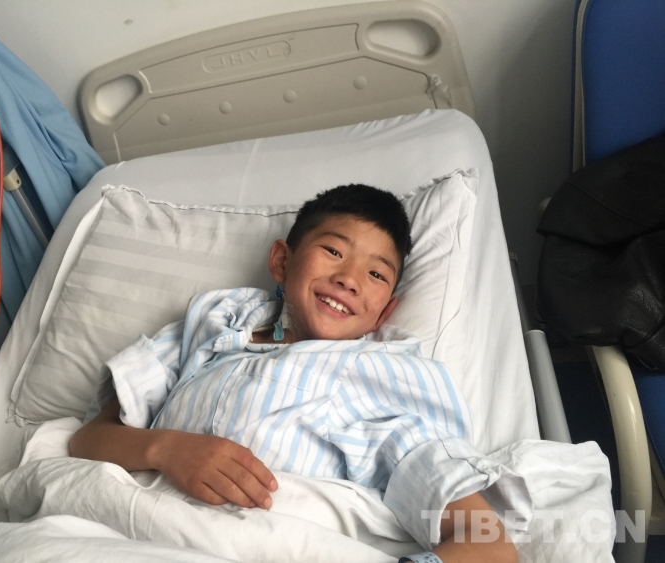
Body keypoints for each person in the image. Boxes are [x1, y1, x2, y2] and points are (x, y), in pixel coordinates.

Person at [70, 184, 521, 563]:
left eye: (376, 274)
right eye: (333, 251)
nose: (349, 279)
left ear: (385, 312)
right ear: (282, 262)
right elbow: (89, 439)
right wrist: (167, 448)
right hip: (123, 530)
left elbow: (489, 542)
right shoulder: (215, 325)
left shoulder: (381, 381)